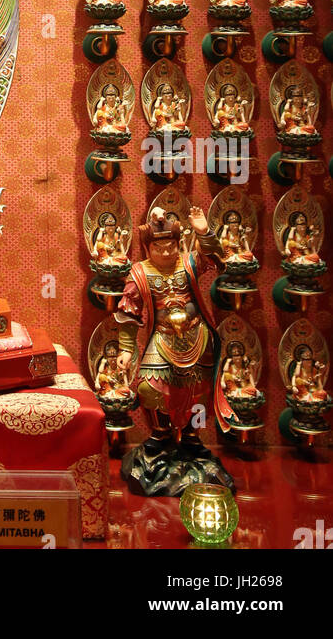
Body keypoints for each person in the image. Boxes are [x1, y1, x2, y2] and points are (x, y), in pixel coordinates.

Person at [116, 205, 237, 492]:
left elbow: (216, 260)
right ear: (148, 248)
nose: (168, 253)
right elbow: (128, 312)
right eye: (161, 248)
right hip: (163, 336)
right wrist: (125, 349)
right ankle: (160, 435)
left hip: (197, 337)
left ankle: (192, 436)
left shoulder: (189, 263)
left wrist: (203, 230)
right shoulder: (139, 273)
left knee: (198, 389)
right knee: (149, 387)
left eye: (172, 247)